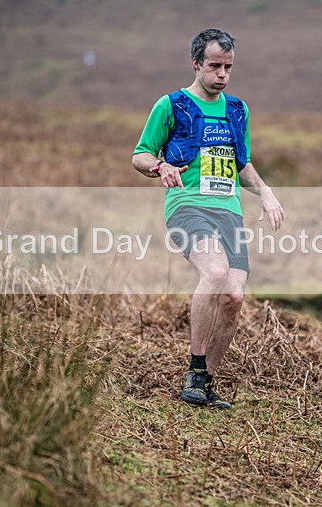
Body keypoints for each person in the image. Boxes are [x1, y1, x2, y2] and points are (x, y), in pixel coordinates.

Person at [132, 28, 285, 410]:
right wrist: (161, 166)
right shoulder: (171, 105)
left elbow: (242, 163)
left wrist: (265, 192)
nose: (222, 74)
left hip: (228, 210)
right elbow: (140, 155)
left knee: (233, 296)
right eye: (215, 66)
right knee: (214, 272)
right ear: (196, 63)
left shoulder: (238, 110)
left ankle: (205, 381)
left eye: (228, 67)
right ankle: (194, 369)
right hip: (187, 205)